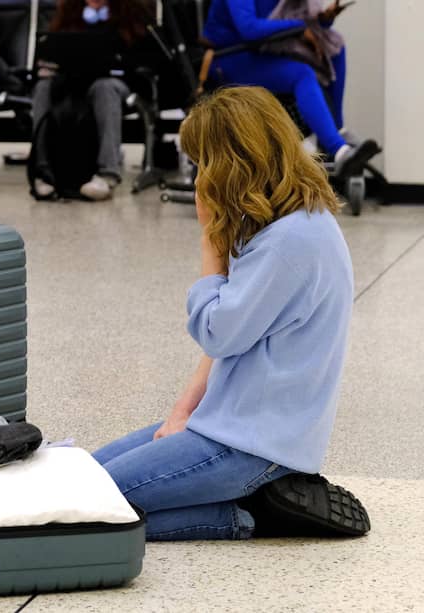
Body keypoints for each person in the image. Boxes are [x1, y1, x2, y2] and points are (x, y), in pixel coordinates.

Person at [93, 86, 370, 541]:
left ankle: (253, 512)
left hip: (252, 447)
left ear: (232, 162)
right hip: (227, 424)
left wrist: (210, 245)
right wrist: (181, 413)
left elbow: (218, 334)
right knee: (85, 476)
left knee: (91, 505)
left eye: (203, 162)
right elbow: (232, 344)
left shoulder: (289, 243)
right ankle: (245, 499)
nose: (198, 176)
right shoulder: (284, 223)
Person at [202, 0, 379, 180]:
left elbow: (289, 16)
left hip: (260, 51)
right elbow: (249, 29)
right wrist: (300, 27)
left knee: (335, 48)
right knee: (301, 74)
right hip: (229, 58)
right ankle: (338, 150)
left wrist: (323, 19)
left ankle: (337, 131)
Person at [31, 0, 154, 201]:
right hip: (72, 81)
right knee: (43, 87)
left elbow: (144, 56)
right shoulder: (68, 9)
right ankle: (42, 171)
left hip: (118, 82)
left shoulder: (131, 9)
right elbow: (52, 48)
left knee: (104, 87)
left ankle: (108, 174)